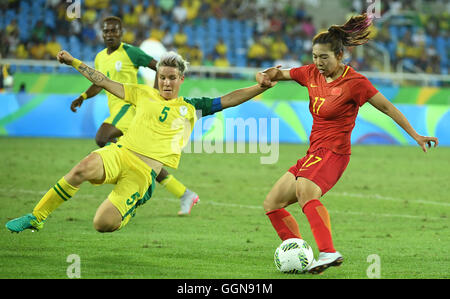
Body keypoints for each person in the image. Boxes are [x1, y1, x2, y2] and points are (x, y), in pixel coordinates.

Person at [6, 50, 276, 234]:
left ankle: (130, 208)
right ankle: (36, 217)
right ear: (157, 78)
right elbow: (103, 80)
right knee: (81, 169)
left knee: (102, 224)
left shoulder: (191, 107)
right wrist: (74, 62)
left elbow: (228, 99)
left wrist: (260, 87)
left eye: (172, 78)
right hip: (120, 154)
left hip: (143, 174)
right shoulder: (141, 93)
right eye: (162, 77)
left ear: (181, 79)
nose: (166, 82)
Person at [256, 13, 438, 275]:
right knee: (271, 203)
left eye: (324, 57)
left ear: (340, 56)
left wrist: (416, 134)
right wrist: (265, 74)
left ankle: (328, 252)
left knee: (305, 190)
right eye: (315, 56)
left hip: (334, 153)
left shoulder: (355, 83)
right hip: (313, 153)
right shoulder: (309, 73)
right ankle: (296, 253)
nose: (318, 63)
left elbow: (387, 107)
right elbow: (279, 73)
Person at [70, 16, 198, 215]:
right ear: (102, 33)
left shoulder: (131, 52)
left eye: (114, 31)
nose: (109, 34)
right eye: (106, 31)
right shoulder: (100, 57)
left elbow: (158, 67)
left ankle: (124, 172)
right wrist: (83, 96)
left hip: (130, 109)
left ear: (121, 33)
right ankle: (184, 194)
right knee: (143, 160)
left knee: (102, 137)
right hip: (116, 112)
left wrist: (157, 97)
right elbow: (100, 82)